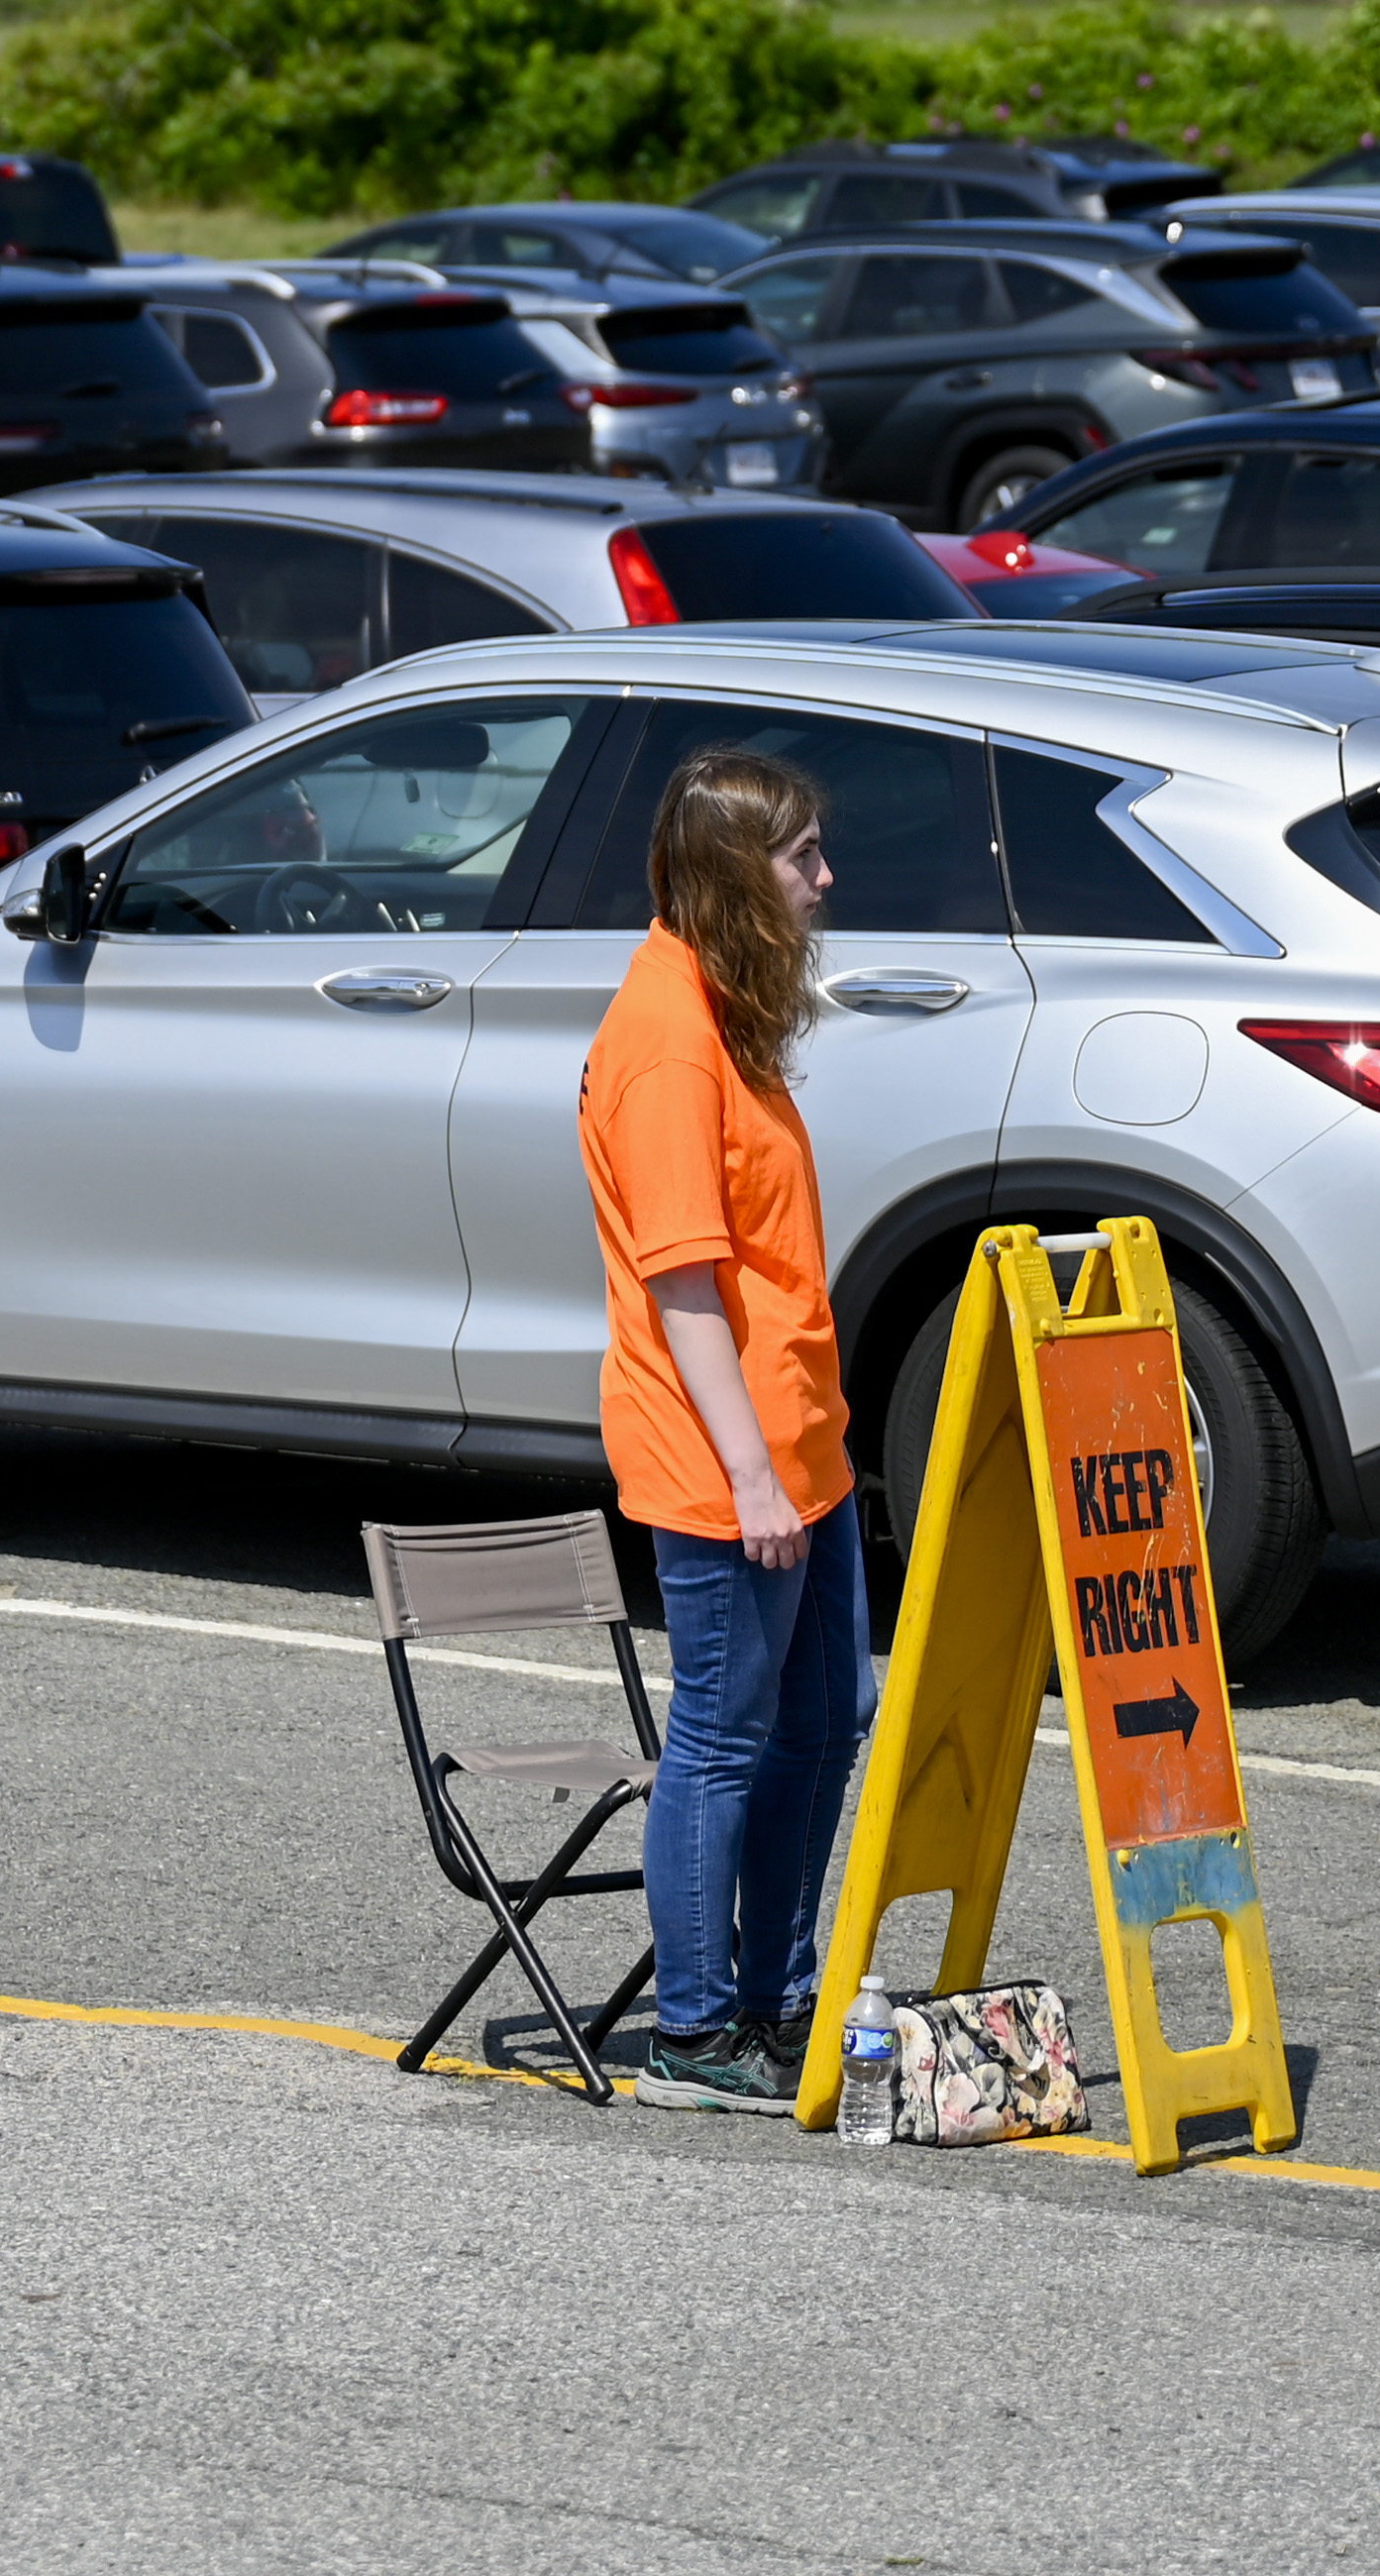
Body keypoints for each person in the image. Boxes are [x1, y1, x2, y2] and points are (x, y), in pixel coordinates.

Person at [577, 745, 864, 2116]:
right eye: (802, 857)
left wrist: (800, 1463)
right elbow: (683, 1281)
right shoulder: (665, 1041)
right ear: (739, 879)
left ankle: (777, 1995)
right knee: (725, 1738)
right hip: (726, 1466)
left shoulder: (721, 1010)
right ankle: (693, 2030)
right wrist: (752, 1475)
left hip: (803, 1449)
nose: (824, 879)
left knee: (820, 1726)